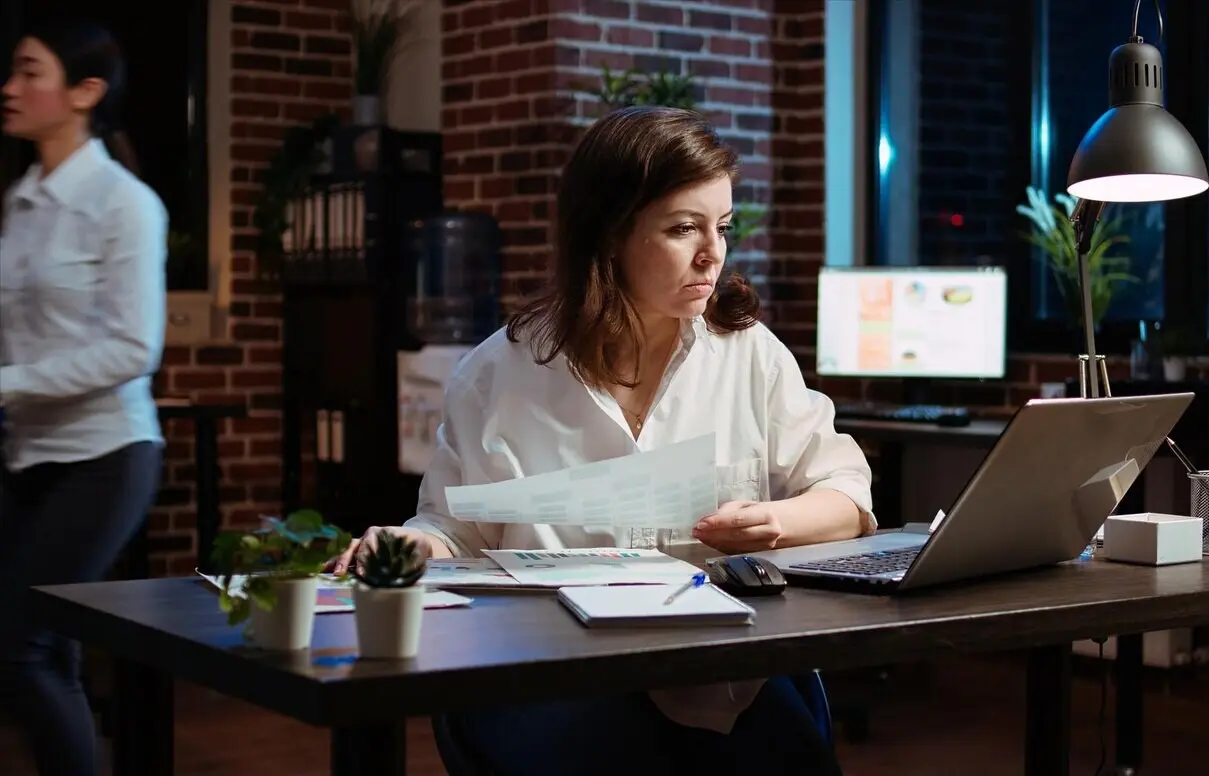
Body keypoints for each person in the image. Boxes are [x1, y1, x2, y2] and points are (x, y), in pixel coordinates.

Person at [330, 105, 873, 776]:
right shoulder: (497, 375)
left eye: (722, 227)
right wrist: (414, 544)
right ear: (609, 235)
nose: (714, 253)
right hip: (550, 677)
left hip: (723, 677)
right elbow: (455, 532)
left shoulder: (749, 355)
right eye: (683, 229)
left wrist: (774, 521)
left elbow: (847, 495)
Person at [0, 20, 167, 776]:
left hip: (106, 456)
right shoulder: (22, 201)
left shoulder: (123, 202)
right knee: (43, 653)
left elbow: (135, 349)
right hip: (26, 454)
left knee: (22, 648)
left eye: (29, 72)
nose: (10, 87)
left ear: (84, 93)